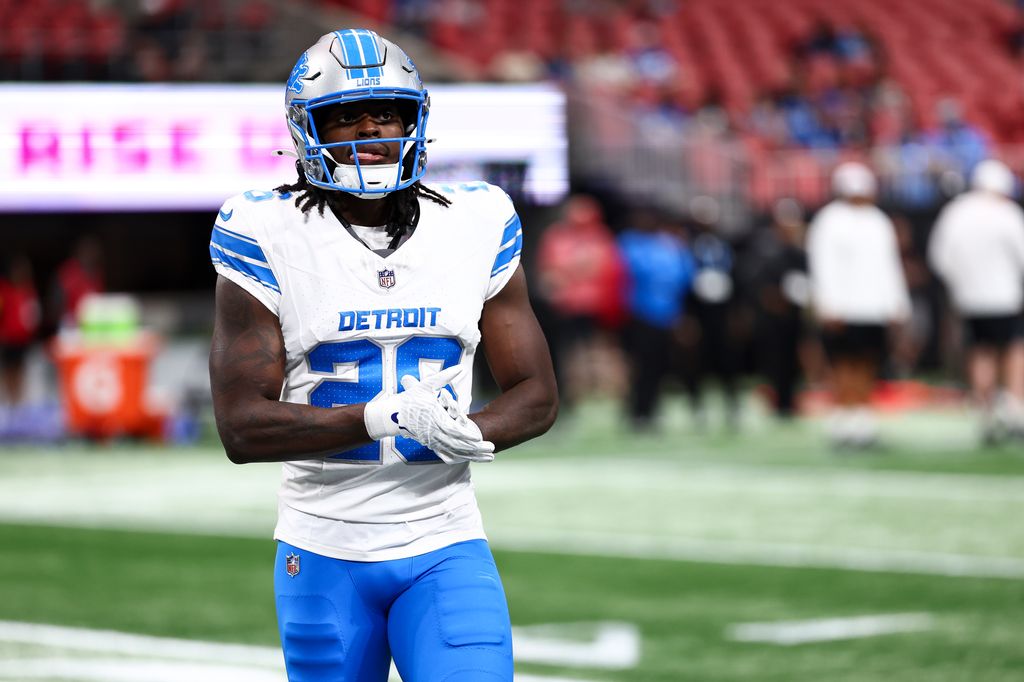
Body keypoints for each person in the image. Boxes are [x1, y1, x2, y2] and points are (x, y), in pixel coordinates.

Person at [207, 29, 558, 682]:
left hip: (444, 538)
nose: (369, 129)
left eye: (386, 112)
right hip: (322, 546)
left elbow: (536, 392)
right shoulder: (263, 230)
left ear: (415, 119)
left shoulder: (476, 218)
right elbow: (240, 426)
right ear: (306, 128)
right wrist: (381, 417)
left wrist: (467, 430)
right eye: (344, 115)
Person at [807, 162, 911, 448]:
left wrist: (896, 304)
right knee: (842, 364)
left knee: (867, 363)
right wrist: (828, 305)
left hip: (874, 307)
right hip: (843, 307)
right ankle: (843, 417)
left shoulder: (878, 221)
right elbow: (822, 266)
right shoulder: (829, 220)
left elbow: (890, 266)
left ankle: (862, 417)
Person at [928, 159, 1024, 443]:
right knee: (1013, 350)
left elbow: (940, 259)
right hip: (1006, 297)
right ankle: (1014, 408)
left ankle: (985, 413)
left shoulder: (955, 213)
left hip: (969, 300)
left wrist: (961, 286)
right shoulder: (1007, 213)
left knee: (980, 352)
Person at [618, 209, 695, 429]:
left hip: (668, 316)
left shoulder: (670, 245)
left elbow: (684, 277)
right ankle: (636, 410)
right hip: (638, 314)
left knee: (660, 366)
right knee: (640, 366)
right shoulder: (629, 243)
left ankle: (651, 409)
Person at [0, 254, 41, 405]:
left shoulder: (28, 291)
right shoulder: (5, 290)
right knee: (8, 370)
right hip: (8, 338)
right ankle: (9, 399)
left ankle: (18, 401)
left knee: (20, 369)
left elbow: (33, 315)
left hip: (22, 340)